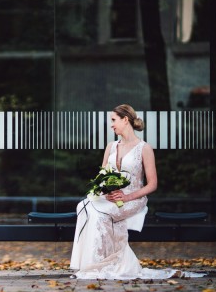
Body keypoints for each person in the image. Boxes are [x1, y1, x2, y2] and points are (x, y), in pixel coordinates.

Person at [70, 104, 205, 279]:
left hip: (133, 199)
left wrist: (127, 197)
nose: (111, 125)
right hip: (111, 197)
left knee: (100, 214)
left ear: (125, 119)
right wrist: (104, 191)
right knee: (84, 206)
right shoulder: (111, 146)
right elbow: (101, 176)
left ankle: (105, 264)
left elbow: (152, 184)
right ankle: (90, 264)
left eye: (113, 120)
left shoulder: (144, 148)